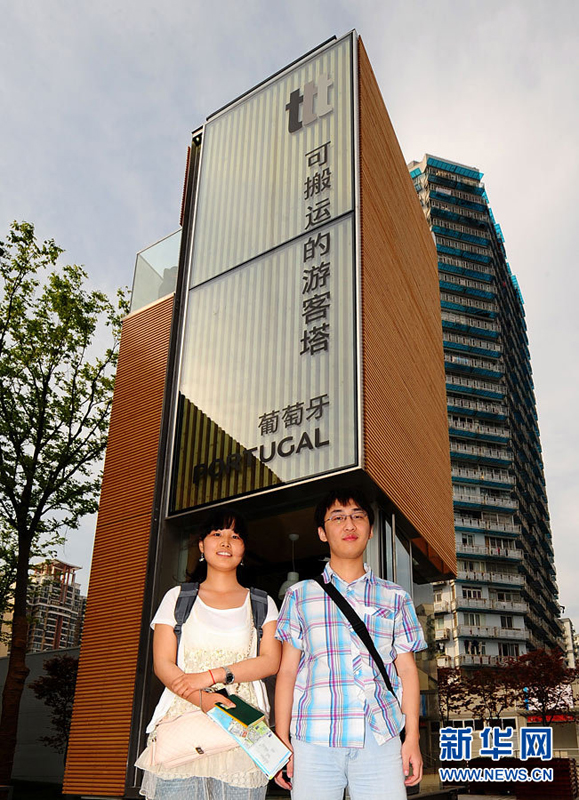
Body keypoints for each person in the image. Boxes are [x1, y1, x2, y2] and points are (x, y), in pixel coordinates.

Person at [274, 488, 426, 800]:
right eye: (338, 517)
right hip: (314, 736)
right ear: (322, 532)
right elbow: (287, 671)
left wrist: (412, 738)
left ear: (370, 530)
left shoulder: (396, 597)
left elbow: (408, 672)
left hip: (380, 736)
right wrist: (281, 739)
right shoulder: (299, 595)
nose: (349, 524)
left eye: (358, 516)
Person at [136, 508, 281, 800]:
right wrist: (204, 700)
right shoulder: (177, 598)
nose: (226, 542)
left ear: (243, 548)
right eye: (217, 534)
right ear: (202, 545)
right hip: (184, 723)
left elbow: (270, 661)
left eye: (235, 536)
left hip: (242, 732)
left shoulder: (262, 602)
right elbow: (163, 664)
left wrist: (214, 676)